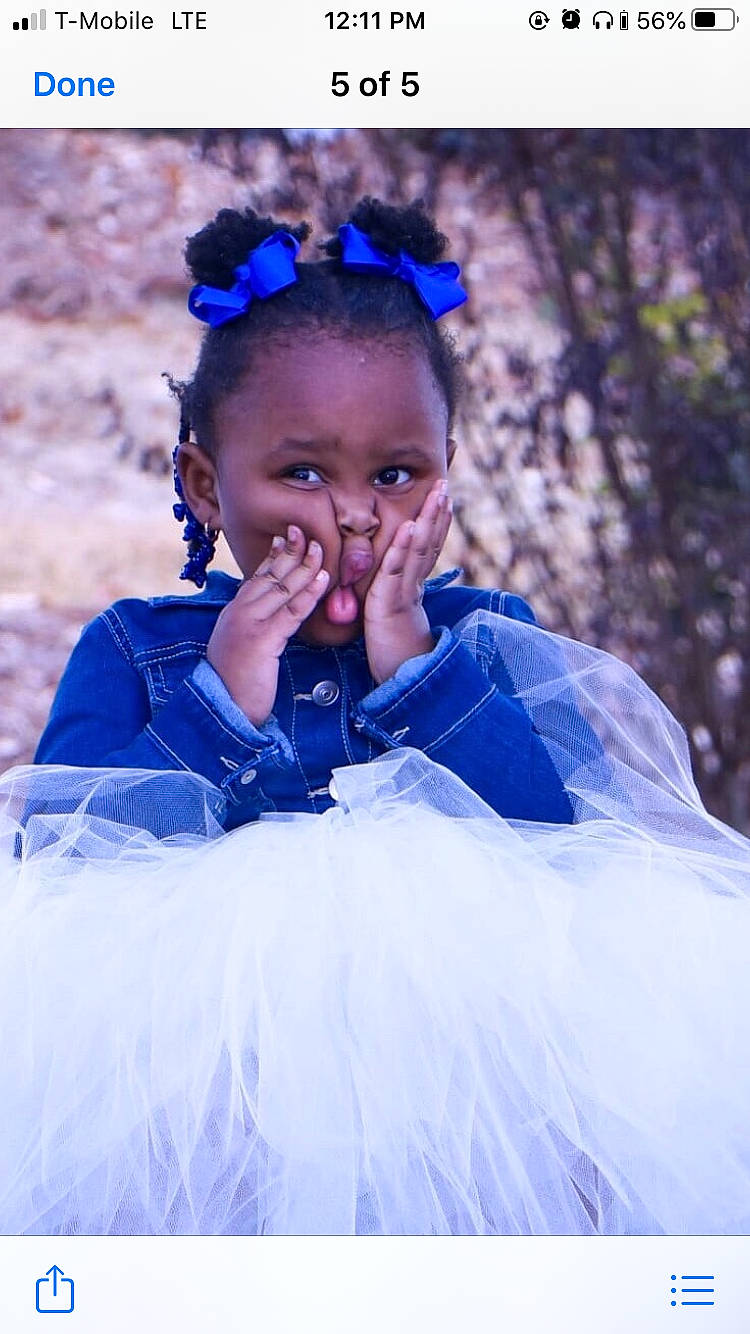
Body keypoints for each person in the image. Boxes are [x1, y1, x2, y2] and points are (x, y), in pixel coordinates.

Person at [1, 197, 749, 1237]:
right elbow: (58, 864)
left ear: (445, 472)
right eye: (302, 472)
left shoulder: (486, 637)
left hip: (466, 1112)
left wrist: (422, 673)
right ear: (206, 485)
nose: (357, 514)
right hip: (211, 1114)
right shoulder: (139, 649)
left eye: (396, 475)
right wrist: (220, 700)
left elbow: (574, 840)